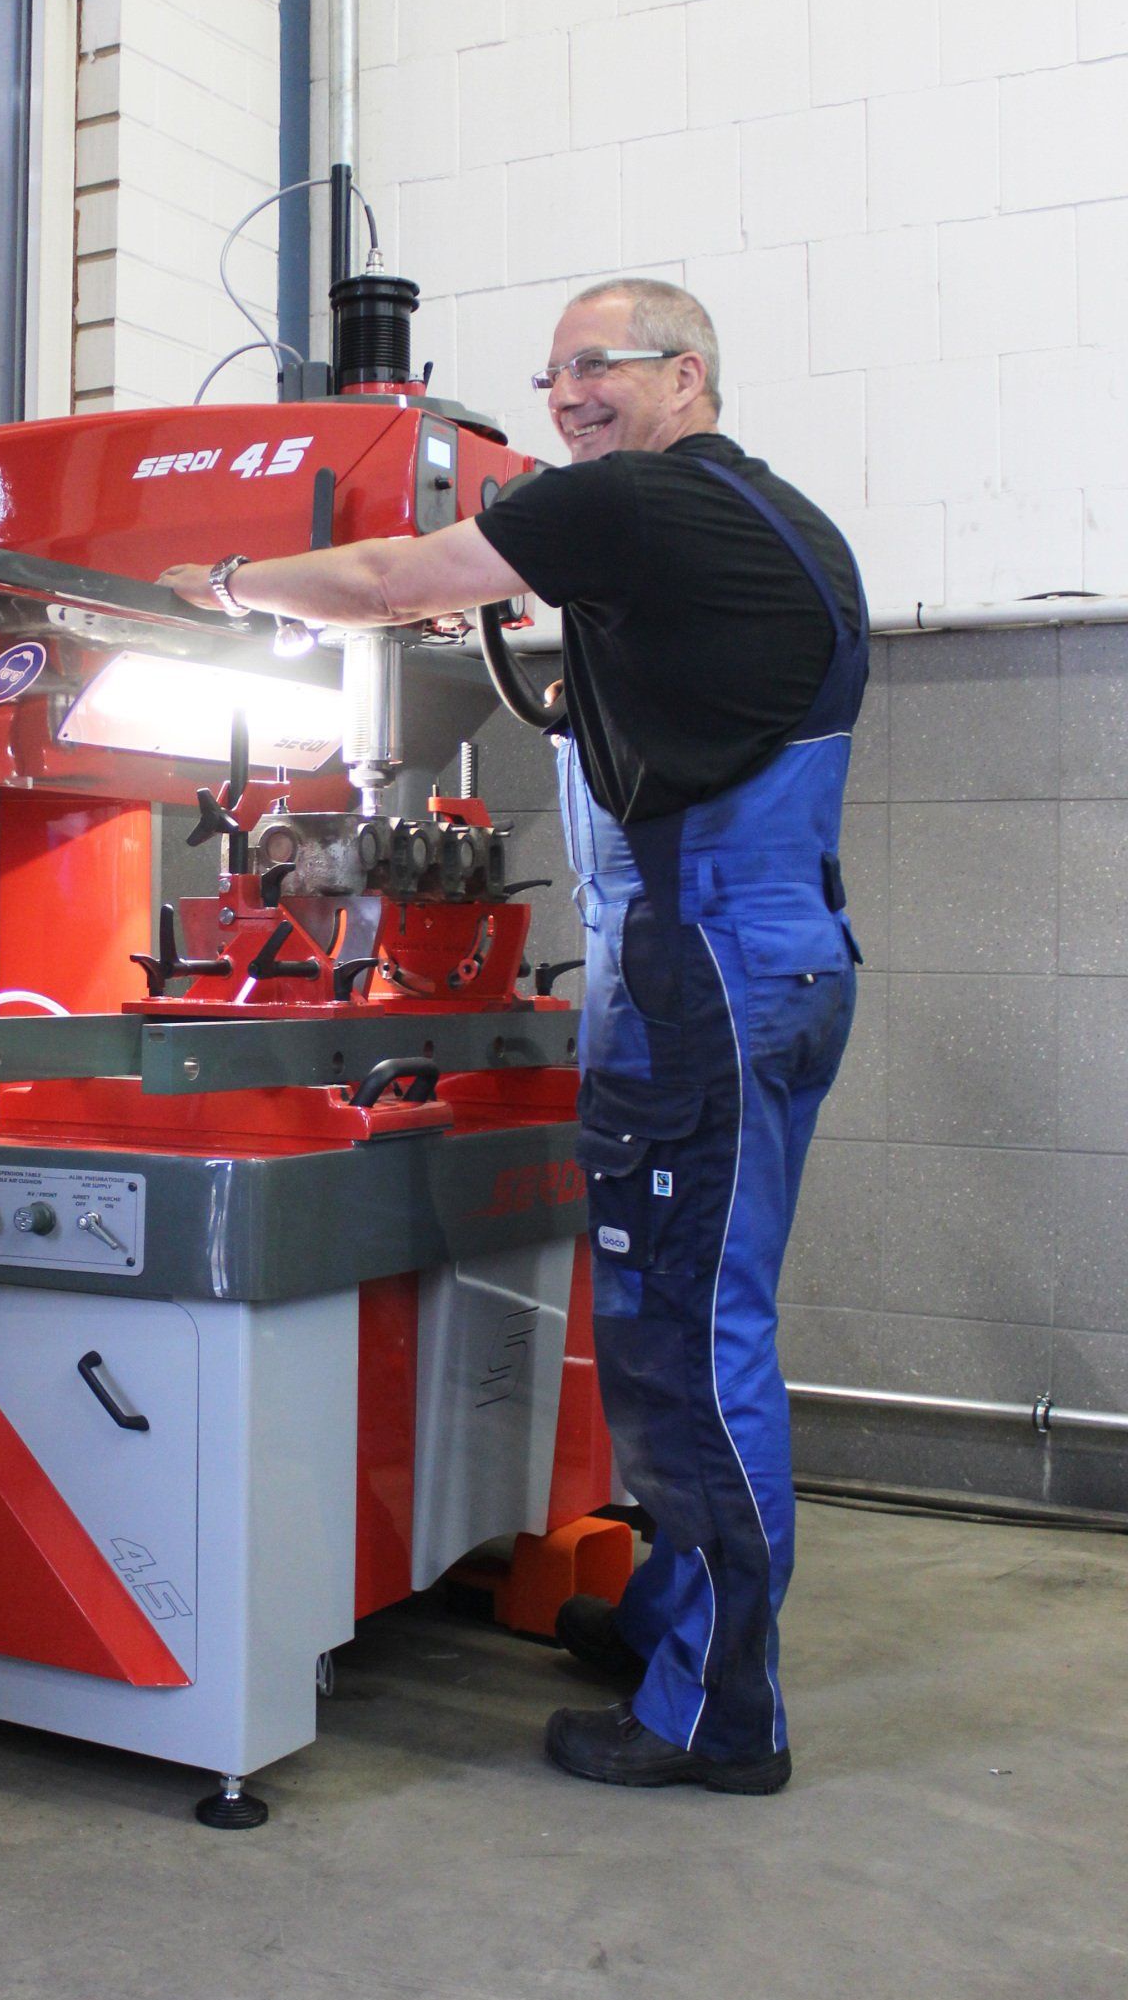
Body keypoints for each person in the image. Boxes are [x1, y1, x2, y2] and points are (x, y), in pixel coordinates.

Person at [164, 277, 866, 1797]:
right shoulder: (783, 522)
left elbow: (387, 577)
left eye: (598, 365)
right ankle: (671, 1622)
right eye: (551, 375)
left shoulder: (630, 503)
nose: (568, 396)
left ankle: (719, 1714)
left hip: (703, 970)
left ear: (689, 373)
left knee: (689, 1337)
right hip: (767, 957)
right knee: (687, 1320)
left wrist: (223, 584)